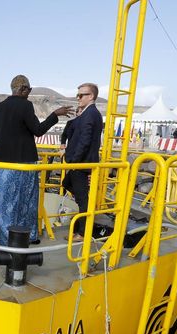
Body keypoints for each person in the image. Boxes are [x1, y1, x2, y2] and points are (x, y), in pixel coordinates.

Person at [0, 75, 71, 246]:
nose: (29, 94)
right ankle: (29, 236)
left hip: (5, 164)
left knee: (5, 202)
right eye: (28, 90)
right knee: (27, 200)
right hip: (25, 163)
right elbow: (38, 130)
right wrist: (54, 115)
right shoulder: (25, 106)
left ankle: (6, 239)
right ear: (22, 89)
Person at [61, 83, 103, 241]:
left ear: (91, 96)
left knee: (83, 199)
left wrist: (74, 161)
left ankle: (83, 233)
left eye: (81, 95)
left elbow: (85, 141)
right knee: (67, 184)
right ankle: (82, 223)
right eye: (77, 95)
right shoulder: (88, 113)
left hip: (81, 164)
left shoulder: (90, 114)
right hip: (79, 163)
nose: (78, 98)